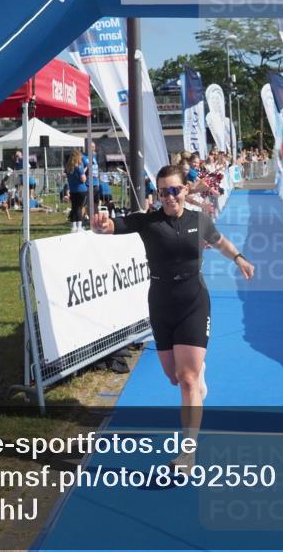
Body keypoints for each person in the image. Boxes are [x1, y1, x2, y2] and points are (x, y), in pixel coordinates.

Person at [90, 164, 255, 473]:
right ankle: (195, 371)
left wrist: (239, 258)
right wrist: (102, 225)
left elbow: (220, 243)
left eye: (175, 190)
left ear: (185, 190)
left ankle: (188, 453)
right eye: (163, 191)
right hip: (161, 304)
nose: (169, 197)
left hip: (194, 302)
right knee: (174, 376)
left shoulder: (199, 220)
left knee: (188, 380)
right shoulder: (148, 221)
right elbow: (114, 225)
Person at [65, 150, 89, 232]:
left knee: (74, 208)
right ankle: (79, 227)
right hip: (81, 190)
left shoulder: (68, 167)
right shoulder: (79, 166)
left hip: (73, 190)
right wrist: (84, 173)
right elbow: (83, 179)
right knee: (79, 208)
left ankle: (73, 226)